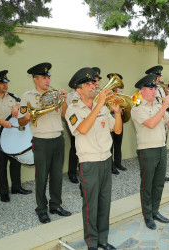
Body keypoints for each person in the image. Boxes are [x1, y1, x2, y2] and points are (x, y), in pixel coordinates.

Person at [65, 67, 121, 250]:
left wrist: (118, 112)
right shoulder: (72, 109)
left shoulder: (104, 107)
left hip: (106, 159)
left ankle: (103, 239)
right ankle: (92, 243)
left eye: (92, 83)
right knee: (91, 205)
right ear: (78, 90)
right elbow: (82, 129)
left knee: (104, 202)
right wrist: (99, 105)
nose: (93, 86)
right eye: (87, 84)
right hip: (89, 162)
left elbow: (117, 130)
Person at [18, 62, 71, 224]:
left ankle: (55, 205)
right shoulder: (27, 96)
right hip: (41, 140)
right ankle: (41, 209)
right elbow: (21, 121)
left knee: (57, 176)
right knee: (41, 176)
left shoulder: (54, 93)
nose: (47, 80)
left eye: (48, 77)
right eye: (43, 77)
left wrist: (63, 100)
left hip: (57, 138)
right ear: (35, 79)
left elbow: (66, 114)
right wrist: (30, 115)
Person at [131, 74, 169, 230]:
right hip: (147, 150)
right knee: (147, 184)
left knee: (158, 184)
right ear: (142, 91)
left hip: (161, 147)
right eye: (151, 88)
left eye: (155, 88)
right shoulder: (137, 109)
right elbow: (151, 124)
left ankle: (155, 210)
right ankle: (148, 215)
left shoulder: (158, 106)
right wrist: (164, 106)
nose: (154, 91)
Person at [0, 70, 32, 202]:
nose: (5, 85)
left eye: (6, 82)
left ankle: (16, 187)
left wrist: (17, 106)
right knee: (2, 163)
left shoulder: (12, 96)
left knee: (15, 161)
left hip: (13, 134)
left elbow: (25, 106)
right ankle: (4, 193)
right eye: (1, 83)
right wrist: (2, 122)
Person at [145, 65, 169, 182]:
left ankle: (161, 172)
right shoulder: (145, 90)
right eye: (157, 76)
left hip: (162, 117)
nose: (159, 78)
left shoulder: (160, 89)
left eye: (159, 76)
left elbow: (162, 101)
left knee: (163, 142)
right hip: (152, 119)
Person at [107, 73, 127, 174]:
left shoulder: (121, 93)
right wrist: (111, 110)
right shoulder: (106, 93)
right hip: (109, 122)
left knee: (118, 143)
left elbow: (124, 105)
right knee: (109, 145)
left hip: (119, 120)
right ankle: (110, 166)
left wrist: (122, 110)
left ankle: (118, 162)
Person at [66, 90, 80, 184]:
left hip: (88, 124)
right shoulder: (71, 96)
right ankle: (72, 173)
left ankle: (83, 171)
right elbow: (68, 112)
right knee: (75, 149)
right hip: (75, 125)